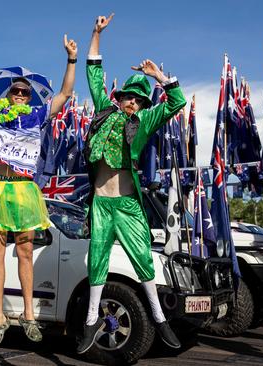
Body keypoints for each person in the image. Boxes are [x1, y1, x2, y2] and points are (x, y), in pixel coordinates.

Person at [0, 18, 77, 349]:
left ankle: (28, 315)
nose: (21, 94)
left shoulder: (38, 116)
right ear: (9, 94)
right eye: (16, 91)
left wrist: (71, 59)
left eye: (25, 92)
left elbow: (66, 93)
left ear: (30, 97)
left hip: (24, 189)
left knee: (25, 251)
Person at [76, 14, 186, 354]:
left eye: (138, 99)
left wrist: (159, 77)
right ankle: (91, 320)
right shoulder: (103, 112)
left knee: (143, 260)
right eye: (127, 97)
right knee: (97, 259)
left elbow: (178, 102)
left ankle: (158, 316)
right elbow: (94, 72)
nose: (131, 103)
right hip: (100, 203)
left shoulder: (145, 120)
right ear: (119, 97)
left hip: (126, 204)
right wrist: (96, 33)